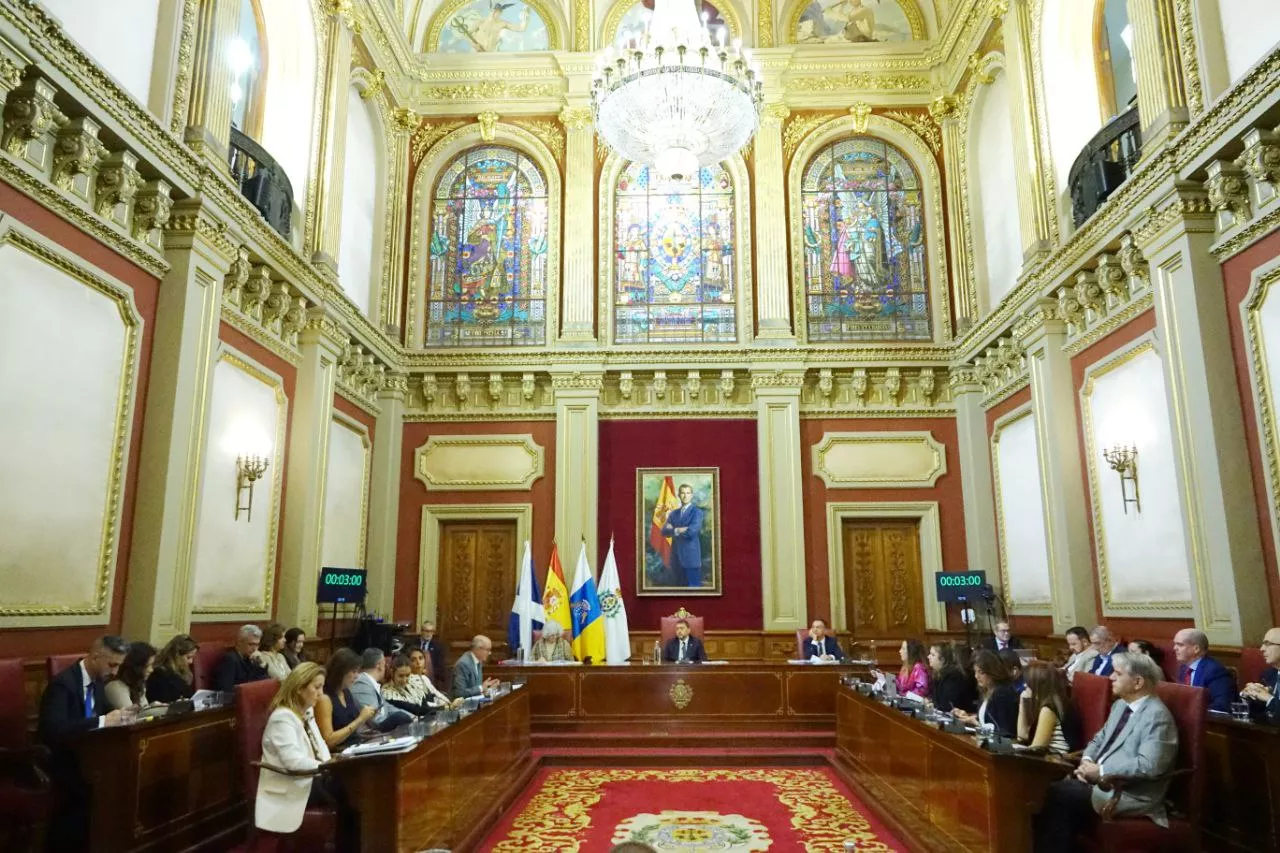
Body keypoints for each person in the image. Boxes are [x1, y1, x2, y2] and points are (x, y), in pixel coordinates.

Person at [1032, 653, 1178, 853]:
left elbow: (1149, 765)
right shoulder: (1120, 706)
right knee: (1047, 790)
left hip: (1130, 793)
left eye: (1117, 674)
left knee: (1058, 793)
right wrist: (1087, 761)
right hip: (1099, 781)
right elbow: (1099, 739)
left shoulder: (1157, 716)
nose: (1111, 678)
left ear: (1137, 682)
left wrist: (1100, 770)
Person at [38, 636, 130, 851]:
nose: (115, 672)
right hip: (59, 757)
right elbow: (54, 730)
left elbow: (104, 714)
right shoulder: (63, 684)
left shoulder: (97, 682)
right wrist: (103, 721)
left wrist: (124, 715)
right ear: (96, 657)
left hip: (88, 753)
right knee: (94, 786)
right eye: (112, 665)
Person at [255, 662, 356, 849]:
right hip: (292, 782)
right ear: (299, 689)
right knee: (350, 789)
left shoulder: (306, 712)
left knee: (356, 788)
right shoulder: (282, 718)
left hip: (312, 778)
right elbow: (293, 762)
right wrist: (328, 768)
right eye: (316, 687)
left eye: (322, 687)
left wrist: (333, 763)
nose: (321, 693)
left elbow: (321, 749)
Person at [315, 649, 376, 750]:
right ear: (341, 671)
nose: (357, 676)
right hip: (341, 753)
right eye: (354, 671)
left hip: (356, 746)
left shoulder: (346, 692)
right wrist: (360, 719)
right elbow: (328, 741)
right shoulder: (324, 699)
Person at [1017, 661, 1081, 754]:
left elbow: (1037, 748)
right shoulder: (1055, 698)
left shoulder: (1048, 709)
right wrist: (1022, 702)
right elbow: (1022, 736)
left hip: (1055, 761)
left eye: (1028, 682)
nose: (1025, 685)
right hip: (1047, 756)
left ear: (1037, 685)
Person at [952, 650, 1018, 737]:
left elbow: (1005, 730)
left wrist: (977, 724)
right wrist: (968, 716)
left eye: (981, 672)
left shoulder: (1003, 693)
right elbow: (987, 720)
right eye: (975, 672)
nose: (976, 676)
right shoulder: (986, 690)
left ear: (993, 672)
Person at [1173, 628, 1237, 712]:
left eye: (1180, 645)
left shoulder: (1214, 671)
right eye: (1175, 644)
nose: (1174, 648)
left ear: (1196, 649)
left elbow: (1222, 706)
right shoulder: (1184, 668)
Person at [348, 648, 415, 730]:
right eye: (384, 664)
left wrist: (412, 716)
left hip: (382, 729)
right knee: (400, 718)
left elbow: (387, 707)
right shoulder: (361, 683)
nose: (386, 666)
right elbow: (375, 720)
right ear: (379, 665)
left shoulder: (371, 682)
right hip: (371, 735)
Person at [661, 484, 706, 587]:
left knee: (693, 591)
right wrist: (678, 529)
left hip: (691, 558)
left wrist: (672, 528)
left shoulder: (696, 512)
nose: (685, 496)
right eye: (682, 493)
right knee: (679, 590)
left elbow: (691, 532)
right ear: (678, 495)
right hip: (676, 558)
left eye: (688, 493)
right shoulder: (674, 513)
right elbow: (664, 531)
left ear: (691, 495)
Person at [105, 641, 163, 713]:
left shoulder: (138, 684)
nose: (151, 670)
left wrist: (153, 707)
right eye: (148, 666)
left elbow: (143, 712)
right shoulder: (115, 687)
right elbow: (131, 715)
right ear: (137, 666)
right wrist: (151, 710)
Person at [213, 624, 270, 692]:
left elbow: (264, 684)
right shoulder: (230, 660)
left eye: (257, 644)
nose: (255, 649)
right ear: (239, 642)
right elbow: (225, 690)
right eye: (251, 644)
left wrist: (262, 665)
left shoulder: (253, 658)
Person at [1241, 627, 1280, 721]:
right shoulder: (1268, 675)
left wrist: (1269, 699)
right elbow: (1260, 714)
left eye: (1268, 644)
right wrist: (1250, 695)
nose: (1262, 649)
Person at [148, 634, 199, 703]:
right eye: (188, 657)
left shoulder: (184, 672)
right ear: (176, 655)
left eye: (193, 657)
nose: (191, 662)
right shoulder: (159, 675)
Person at [927, 643, 977, 713]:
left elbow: (948, 706)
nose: (928, 657)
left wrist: (933, 706)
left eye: (932, 655)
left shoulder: (953, 677)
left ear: (942, 660)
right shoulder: (938, 674)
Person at [418, 620, 446, 688]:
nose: (429, 634)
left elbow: (440, 667)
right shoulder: (412, 643)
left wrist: (427, 671)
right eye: (427, 631)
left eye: (431, 631)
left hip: (431, 678)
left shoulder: (438, 647)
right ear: (421, 631)